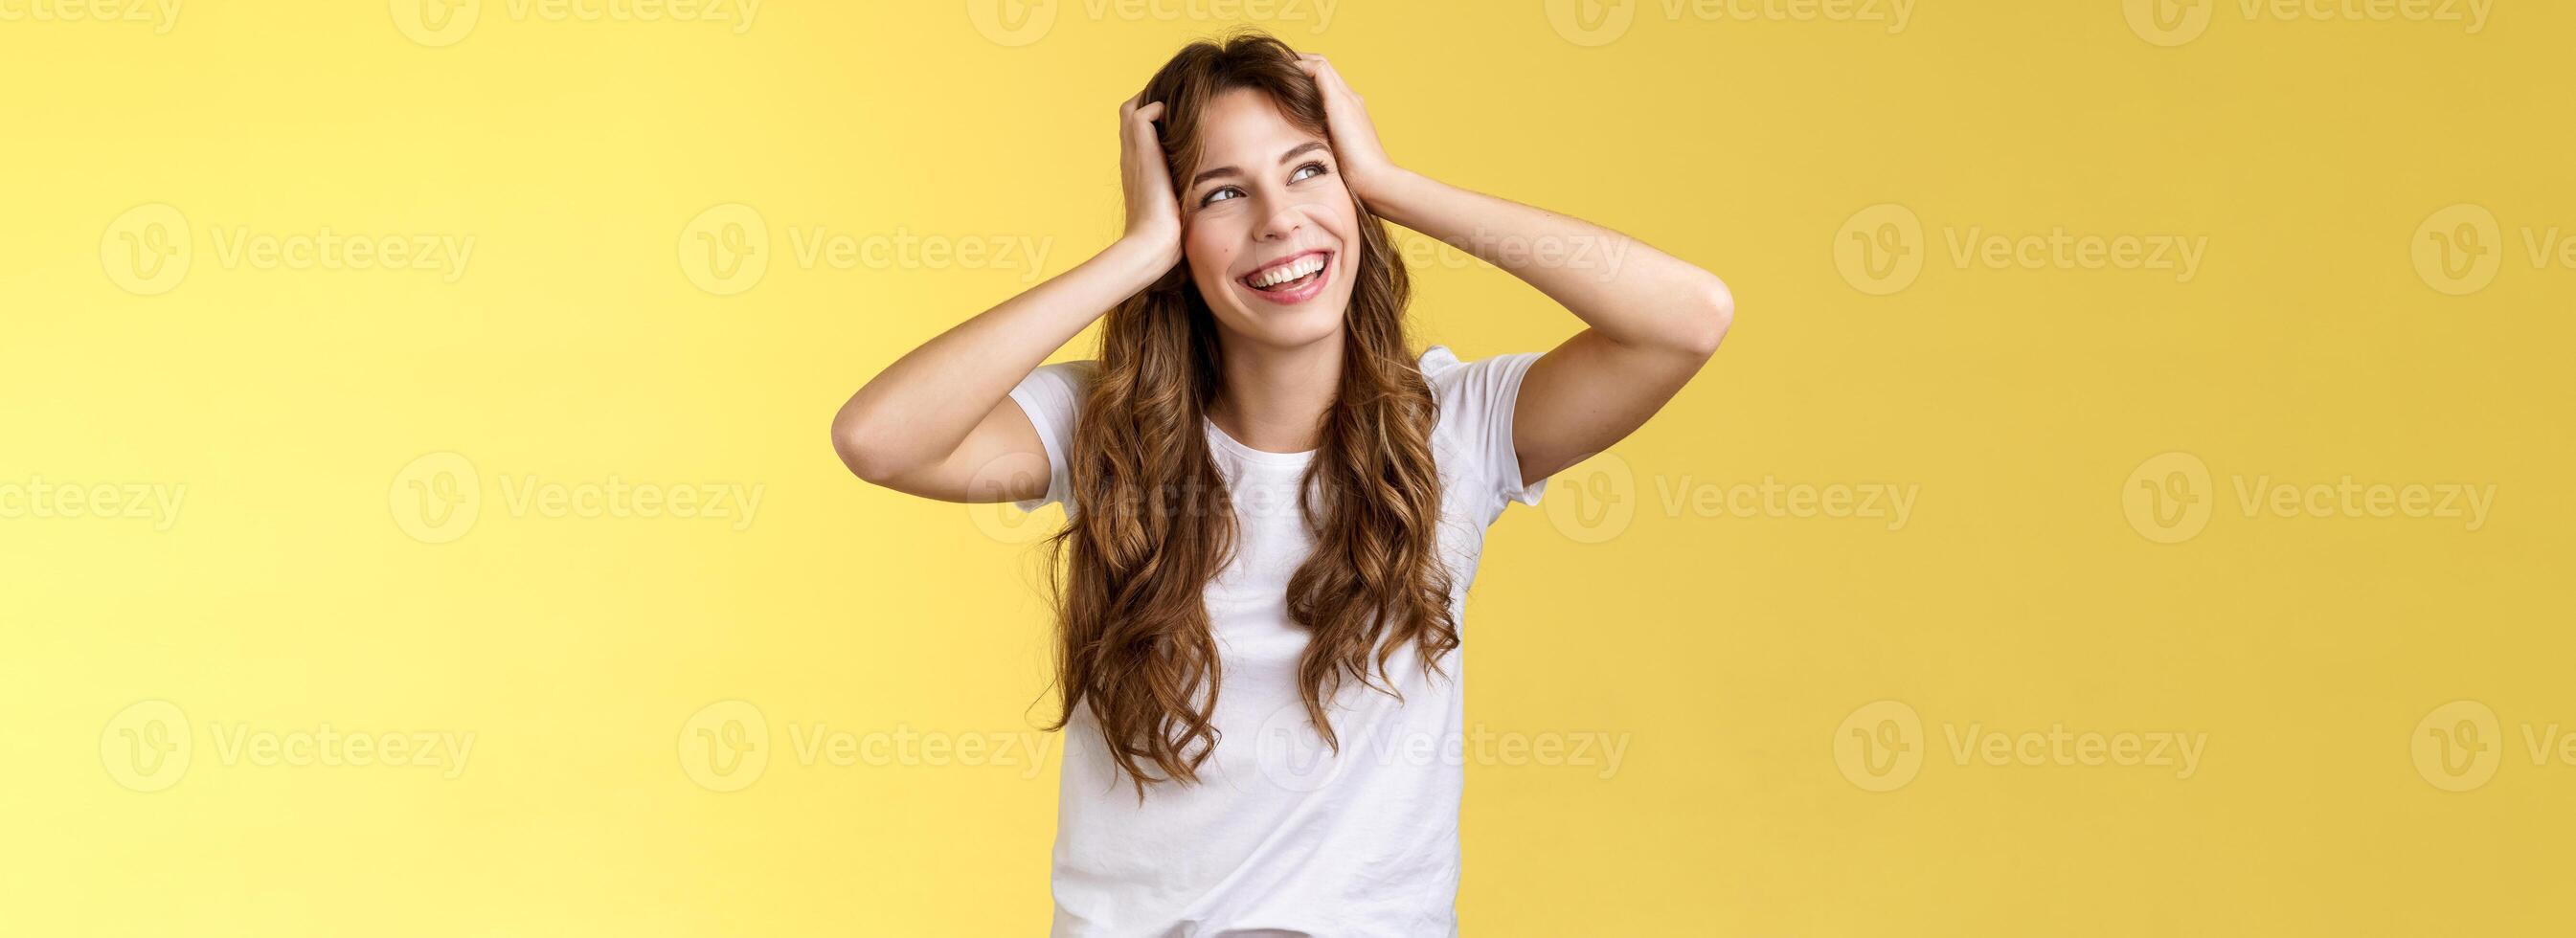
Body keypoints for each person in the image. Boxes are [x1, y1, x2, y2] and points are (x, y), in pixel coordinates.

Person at [830, 31, 1732, 937]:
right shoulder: (1100, 427)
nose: (1278, 219)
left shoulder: (1454, 429)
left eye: (1308, 171)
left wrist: (1387, 183)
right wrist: (1135, 252)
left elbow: (1687, 319)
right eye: (1223, 193)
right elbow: (878, 439)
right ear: (1178, 240)